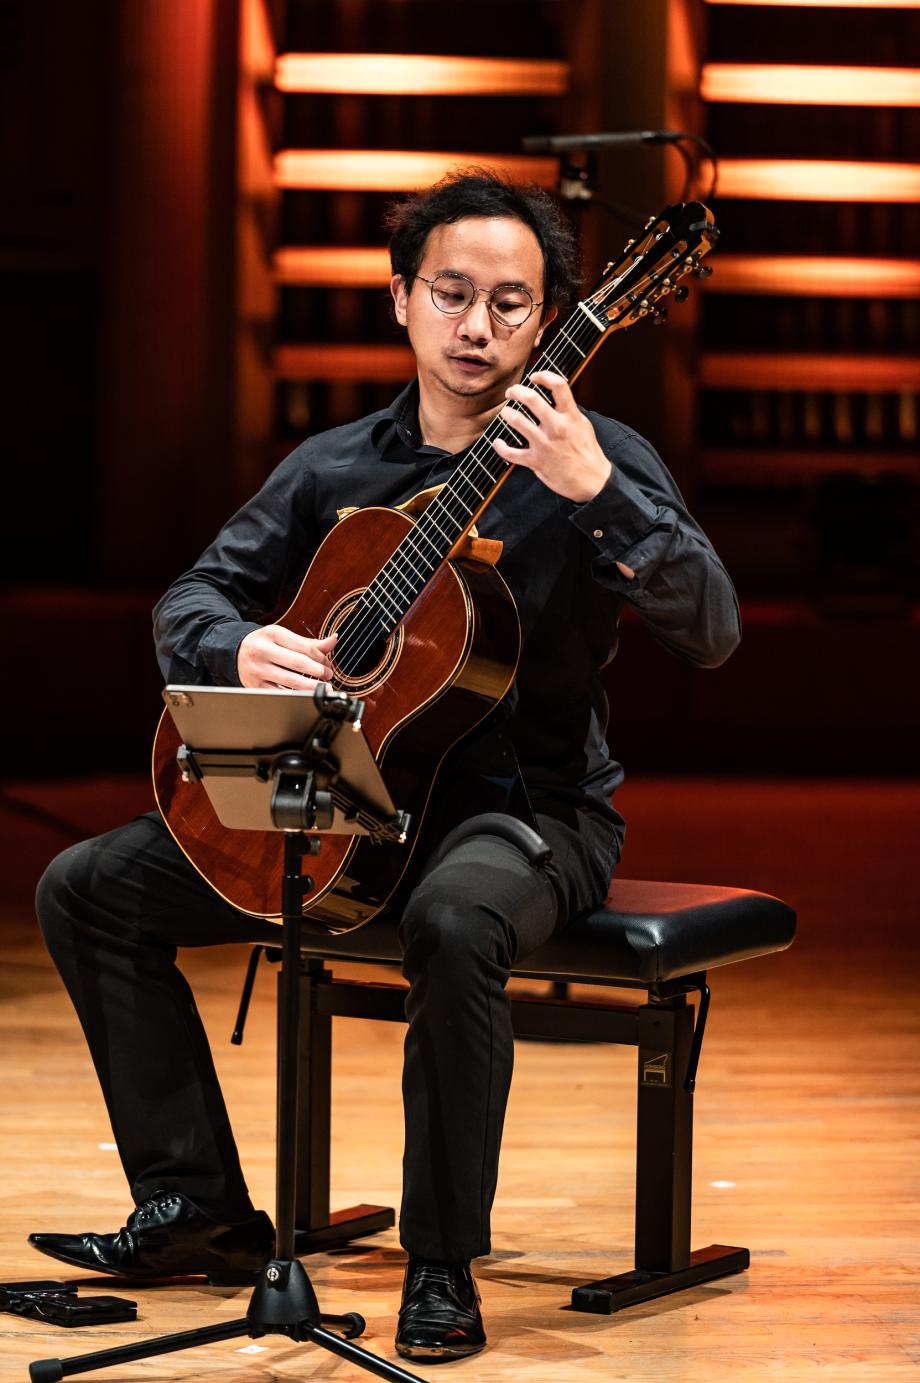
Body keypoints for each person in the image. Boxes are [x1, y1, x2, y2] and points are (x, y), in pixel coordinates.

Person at [30, 169, 740, 1362]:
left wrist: (597, 493)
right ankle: (197, 1207)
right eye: (452, 294)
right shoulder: (332, 467)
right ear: (401, 300)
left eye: (511, 304)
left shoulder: (598, 457)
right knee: (86, 888)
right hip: (340, 795)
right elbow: (192, 598)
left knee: (457, 924)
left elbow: (712, 627)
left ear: (558, 315)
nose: (478, 327)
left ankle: (441, 1261)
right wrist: (239, 641)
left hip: (523, 819)